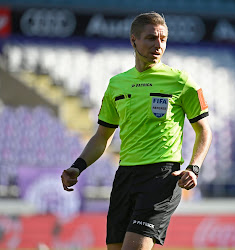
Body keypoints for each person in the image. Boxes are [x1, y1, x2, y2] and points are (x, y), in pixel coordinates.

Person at [61, 12, 212, 250]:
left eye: (163, 39)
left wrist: (194, 168)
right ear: (134, 40)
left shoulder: (181, 81)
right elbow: (103, 136)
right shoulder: (117, 84)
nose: (158, 45)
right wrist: (77, 166)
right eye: (151, 38)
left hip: (161, 178)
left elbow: (204, 131)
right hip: (125, 177)